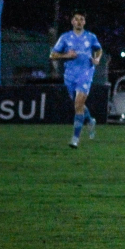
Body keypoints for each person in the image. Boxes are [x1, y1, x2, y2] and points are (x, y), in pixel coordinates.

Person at [49, 10, 102, 149]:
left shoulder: (91, 37)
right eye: (76, 19)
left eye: (81, 19)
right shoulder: (65, 37)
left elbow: (98, 49)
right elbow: (52, 55)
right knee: (79, 104)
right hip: (70, 76)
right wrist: (66, 55)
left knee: (78, 105)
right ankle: (90, 121)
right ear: (72, 22)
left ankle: (75, 139)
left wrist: (97, 58)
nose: (79, 21)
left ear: (84, 22)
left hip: (86, 73)